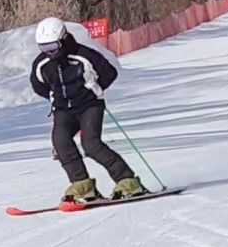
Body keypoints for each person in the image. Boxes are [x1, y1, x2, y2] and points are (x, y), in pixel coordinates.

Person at [29, 17, 145, 204]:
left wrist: (94, 88)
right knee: (61, 143)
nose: (50, 52)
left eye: (53, 46)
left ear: (63, 39)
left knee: (91, 144)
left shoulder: (83, 55)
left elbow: (109, 72)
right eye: (44, 48)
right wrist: (52, 95)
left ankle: (127, 181)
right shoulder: (42, 63)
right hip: (63, 110)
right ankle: (82, 184)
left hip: (89, 106)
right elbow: (37, 84)